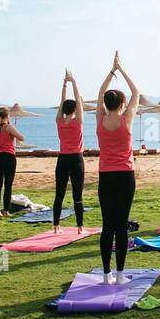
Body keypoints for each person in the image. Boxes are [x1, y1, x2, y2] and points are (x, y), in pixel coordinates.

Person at [97, 52, 139, 285]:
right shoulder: (127, 118)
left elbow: (100, 94)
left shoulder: (100, 120)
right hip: (125, 176)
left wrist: (112, 71)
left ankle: (106, 275)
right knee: (121, 225)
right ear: (122, 105)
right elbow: (137, 92)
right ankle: (120, 275)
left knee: (108, 226)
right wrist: (121, 69)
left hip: (106, 177)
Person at [53, 70, 86, 234]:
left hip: (62, 159)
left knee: (59, 193)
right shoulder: (78, 121)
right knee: (77, 194)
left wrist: (65, 84)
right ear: (75, 110)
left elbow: (61, 101)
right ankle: (80, 228)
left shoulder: (59, 121)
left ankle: (56, 226)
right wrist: (74, 81)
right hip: (76, 159)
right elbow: (79, 101)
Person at [0, 107, 24, 218]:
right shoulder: (9, 127)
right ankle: (5, 210)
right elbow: (22, 137)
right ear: (7, 116)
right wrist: (11, 128)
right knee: (8, 185)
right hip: (9, 156)